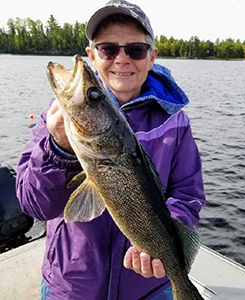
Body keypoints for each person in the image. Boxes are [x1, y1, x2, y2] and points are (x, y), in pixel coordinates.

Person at [16, 0, 206, 299]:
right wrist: (59, 147)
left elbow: (187, 193)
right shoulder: (56, 120)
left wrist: (165, 244)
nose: (122, 59)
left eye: (135, 49)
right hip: (71, 287)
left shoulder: (176, 122)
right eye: (108, 49)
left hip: (148, 288)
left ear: (151, 57)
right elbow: (34, 205)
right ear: (92, 55)